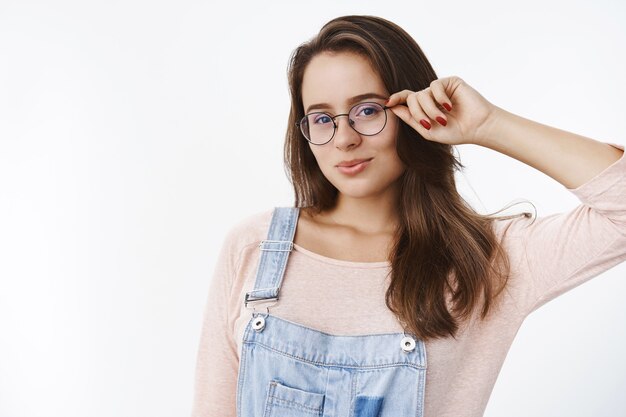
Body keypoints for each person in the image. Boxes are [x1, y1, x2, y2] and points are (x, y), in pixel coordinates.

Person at [191, 14, 626, 417]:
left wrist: (488, 123)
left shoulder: (486, 261)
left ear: (413, 110)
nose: (344, 138)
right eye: (322, 118)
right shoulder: (255, 247)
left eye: (367, 110)